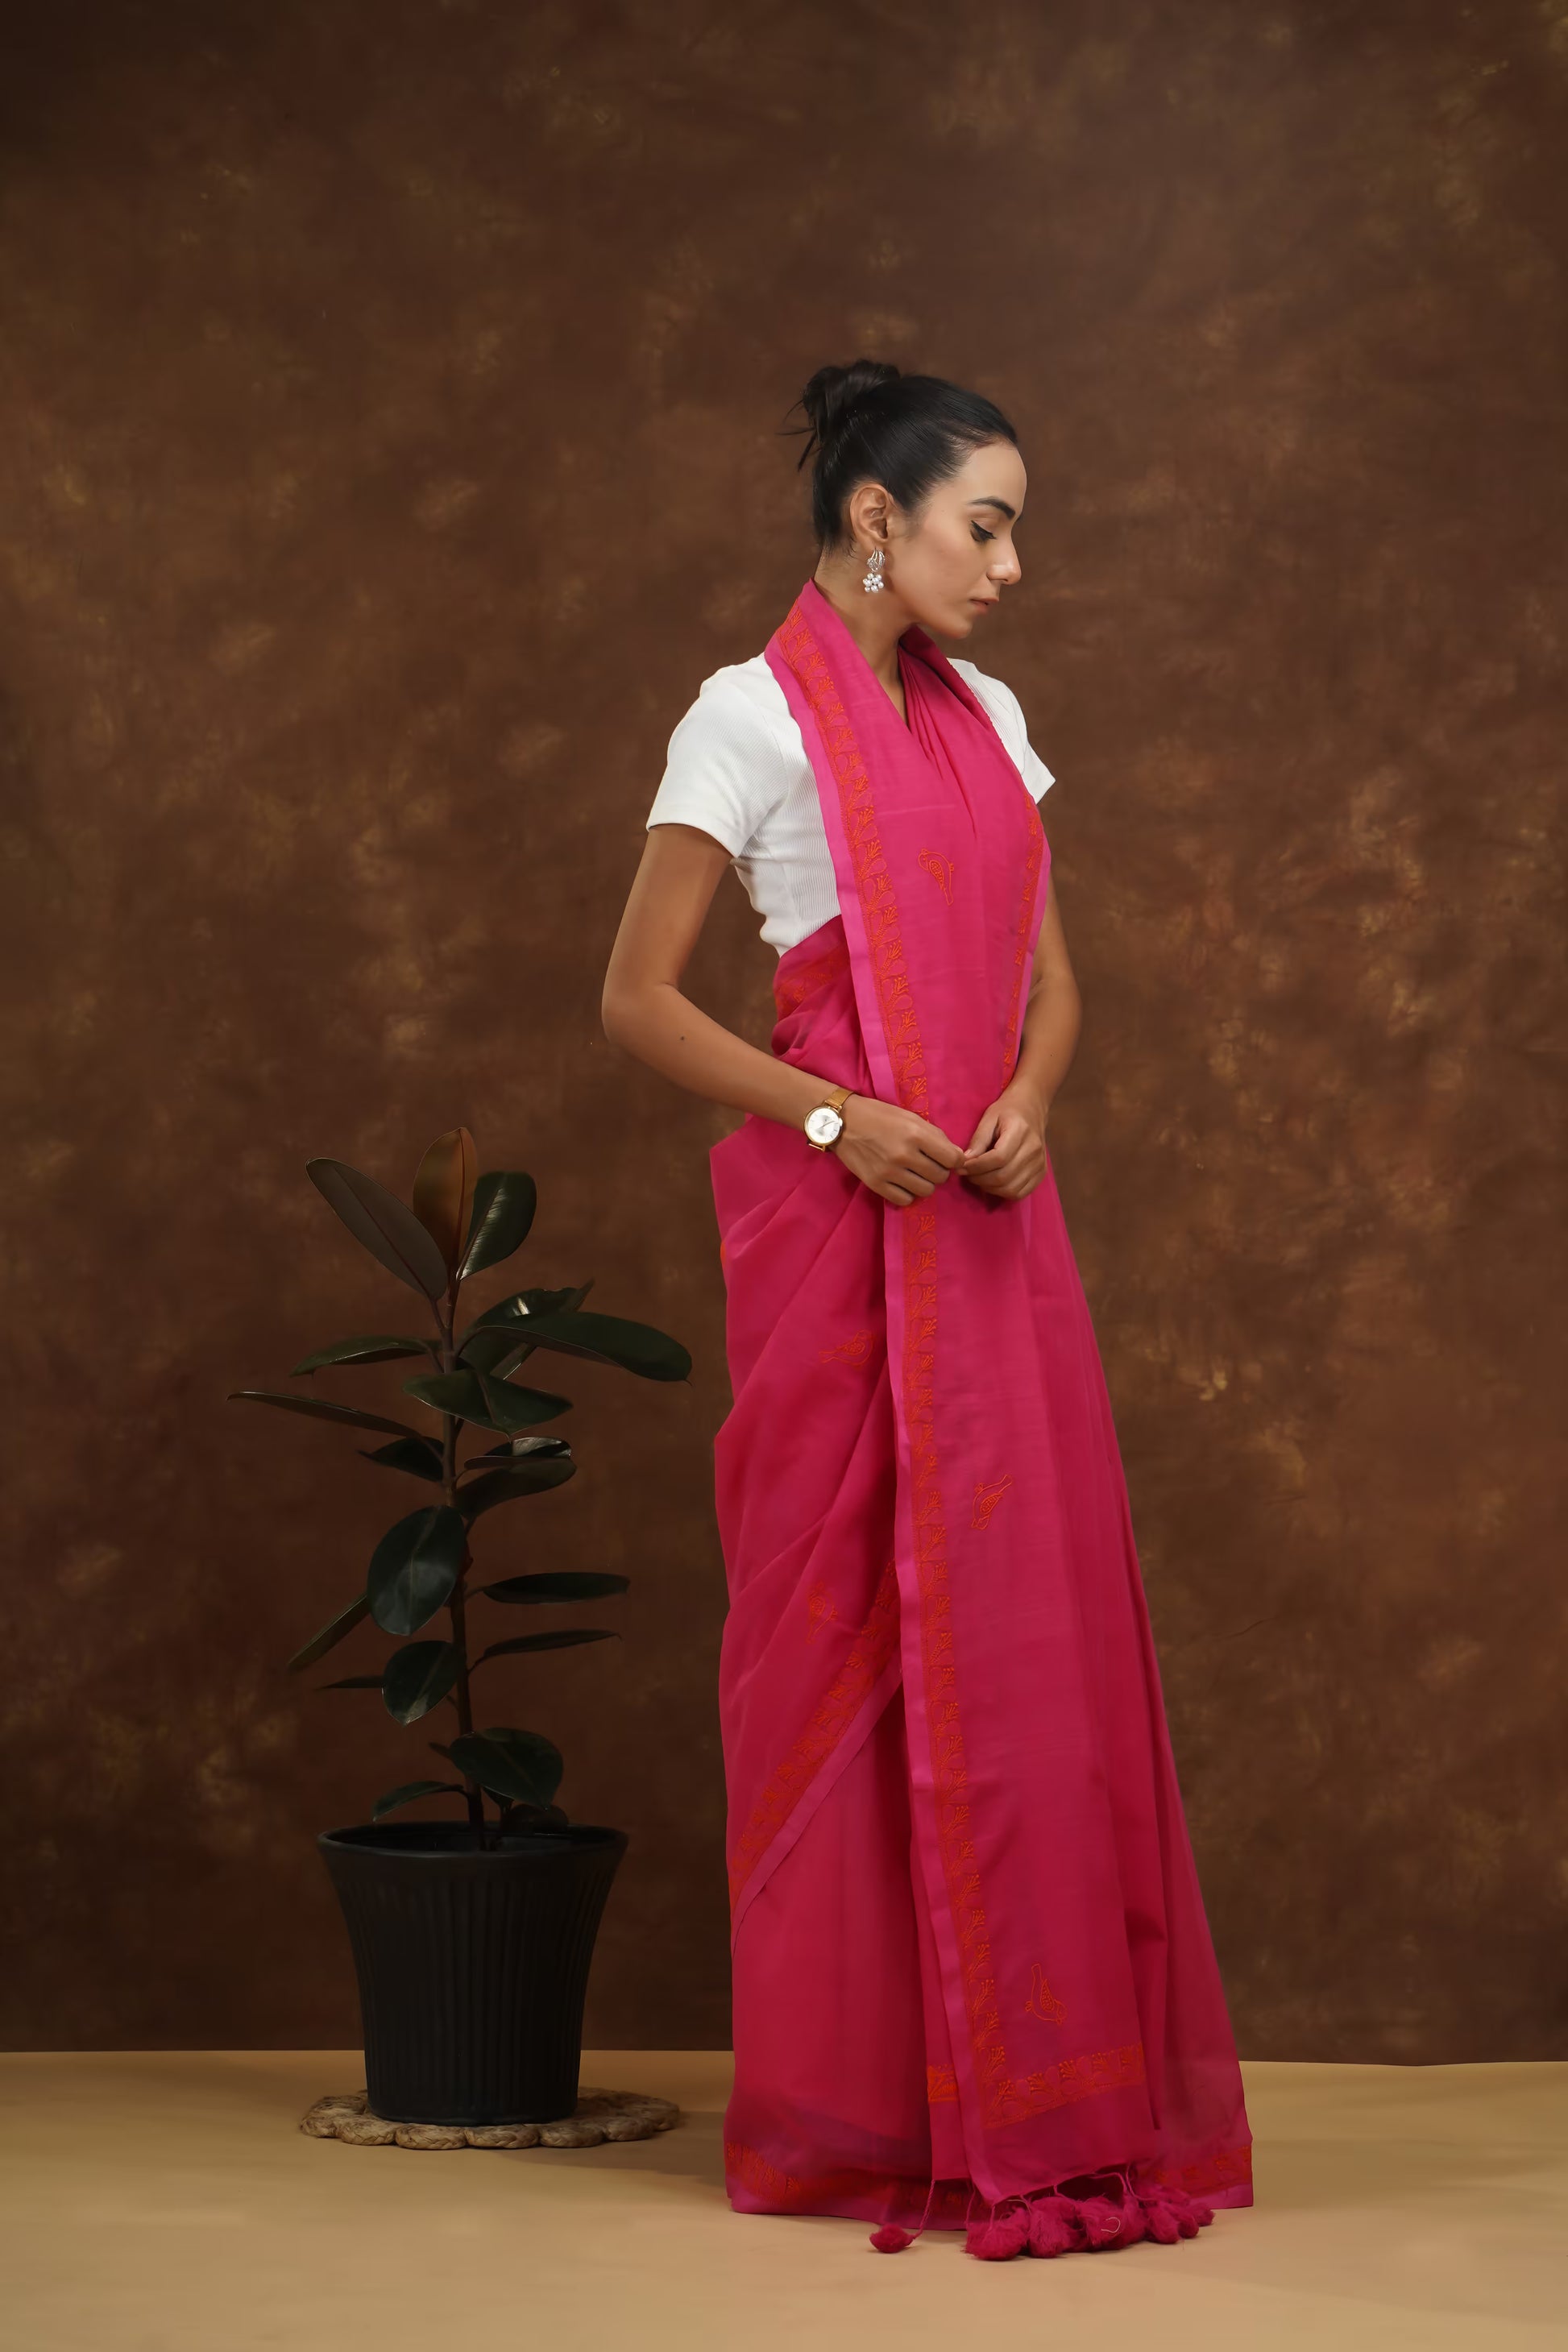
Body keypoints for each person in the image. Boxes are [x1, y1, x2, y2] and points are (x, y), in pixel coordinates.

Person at [601, 360, 1253, 2261]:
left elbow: (1053, 986)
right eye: (989, 524)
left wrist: (1029, 1095)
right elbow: (636, 998)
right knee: (840, 1648)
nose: (1012, 565)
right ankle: (871, 2107)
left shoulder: (994, 720)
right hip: (844, 1230)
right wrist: (831, 1115)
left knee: (1028, 1643)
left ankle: (1036, 2084)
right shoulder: (744, 718)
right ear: (876, 518)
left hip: (987, 1233)